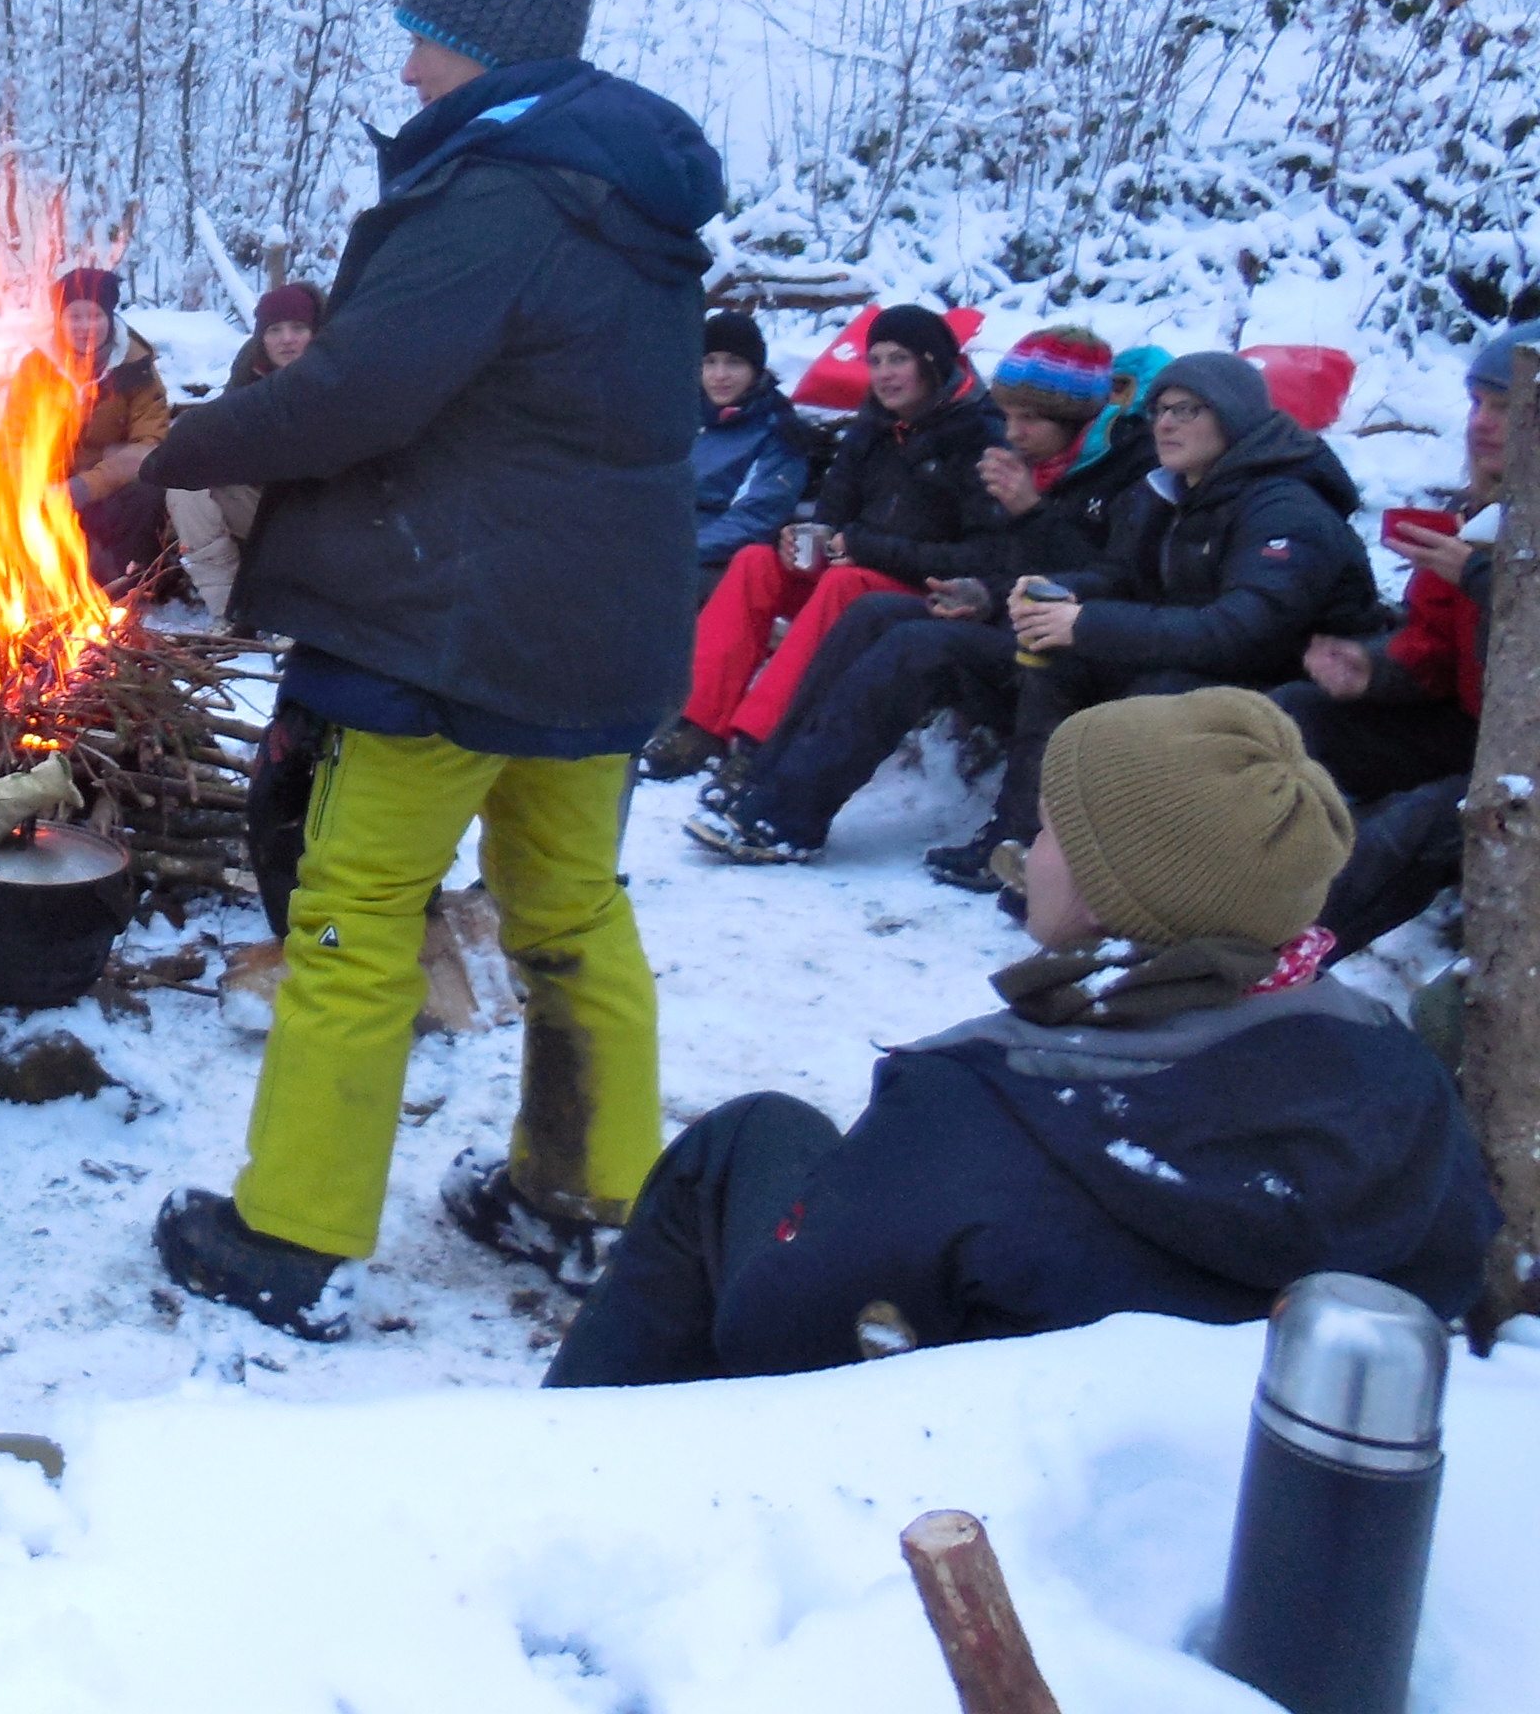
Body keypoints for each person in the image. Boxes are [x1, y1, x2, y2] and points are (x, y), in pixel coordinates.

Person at [142, 0, 726, 1337]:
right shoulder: (626, 201)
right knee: (570, 908)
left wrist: (172, 451)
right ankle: (586, 1196)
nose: (405, 69)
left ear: (481, 51)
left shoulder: (499, 196)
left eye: (425, 38)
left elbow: (360, 394)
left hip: (448, 632)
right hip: (598, 628)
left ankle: (287, 1235)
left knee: (353, 919)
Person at [549, 687, 1496, 1386]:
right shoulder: (1394, 1068)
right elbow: (1455, 1262)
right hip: (1195, 1486)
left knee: (744, 1140)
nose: (1025, 854)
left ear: (1109, 891)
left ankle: (545, 1479)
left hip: (954, 1496)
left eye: (1046, 833)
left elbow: (777, 1337)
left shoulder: (979, 1108)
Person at [687, 326, 1151, 871]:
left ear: (1079, 419)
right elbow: (998, 558)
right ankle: (764, 780)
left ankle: (790, 818)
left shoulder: (1119, 470)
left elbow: (1111, 575)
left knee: (907, 637)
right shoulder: (894, 431)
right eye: (1009, 415)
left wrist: (1030, 516)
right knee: (867, 612)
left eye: (1030, 419)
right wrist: (981, 591)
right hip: (1002, 613)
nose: (1013, 432)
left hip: (1073, 643)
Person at [952, 348, 1383, 890]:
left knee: (1154, 692)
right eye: (1160, 410)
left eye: (1189, 410)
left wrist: (1086, 623)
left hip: (1299, 685)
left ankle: (1101, 881)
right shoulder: (1172, 488)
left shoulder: (1286, 508)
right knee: (1057, 661)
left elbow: (1242, 630)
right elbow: (1122, 576)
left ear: (1234, 417)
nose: (1167, 423)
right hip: (1205, 659)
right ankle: (1026, 848)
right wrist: (1059, 593)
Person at [644, 305, 1006, 786]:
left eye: (897, 360)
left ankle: (760, 739)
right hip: (860, 563)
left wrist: (863, 546)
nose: (883, 374)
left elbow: (984, 555)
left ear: (931, 362)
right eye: (874, 360)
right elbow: (834, 508)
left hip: (925, 589)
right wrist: (805, 537)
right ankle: (698, 724)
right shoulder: (874, 425)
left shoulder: (977, 436)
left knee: (844, 581)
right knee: (756, 561)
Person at [1279, 321, 1528, 955]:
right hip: (1475, 731)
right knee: (1283, 717)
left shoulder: (1484, 544)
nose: (1482, 423)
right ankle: (1188, 890)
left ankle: (1278, 961)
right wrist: (1374, 670)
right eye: (1478, 403)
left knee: (1410, 828)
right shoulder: (1483, 514)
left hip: (1525, 761)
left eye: (1507, 407)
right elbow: (1438, 649)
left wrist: (1480, 576)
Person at [166, 279, 321, 617]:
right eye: (275, 330)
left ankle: (301, 617)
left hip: (328, 512)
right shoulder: (248, 373)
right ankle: (231, 611)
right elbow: (225, 434)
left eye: (298, 328)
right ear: (262, 338)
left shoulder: (340, 378)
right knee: (187, 488)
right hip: (262, 501)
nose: (287, 339)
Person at [49, 266, 173, 595]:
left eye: (94, 316)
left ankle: (127, 585)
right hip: (52, 485)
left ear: (109, 319)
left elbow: (147, 446)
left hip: (111, 488)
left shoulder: (136, 369)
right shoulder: (38, 367)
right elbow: (16, 439)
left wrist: (83, 486)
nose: (84, 328)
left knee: (147, 492)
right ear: (59, 320)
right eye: (74, 317)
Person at [689, 310, 815, 607]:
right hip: (660, 542)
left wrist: (677, 550)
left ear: (755, 369)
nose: (720, 375)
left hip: (716, 558)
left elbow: (754, 516)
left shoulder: (777, 431)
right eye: (710, 362)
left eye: (734, 363)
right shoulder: (683, 417)